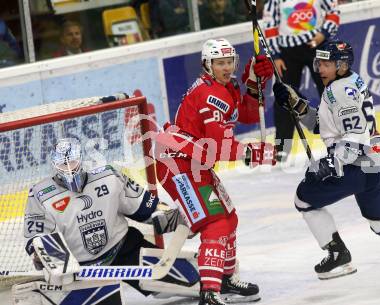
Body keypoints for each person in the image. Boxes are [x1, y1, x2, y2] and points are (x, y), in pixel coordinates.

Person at [273, 41, 380, 281]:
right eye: (319, 62)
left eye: (326, 63)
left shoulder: (338, 91)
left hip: (356, 166)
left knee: (303, 198)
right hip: (378, 163)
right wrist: (297, 104)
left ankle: (337, 253)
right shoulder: (349, 82)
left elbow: (355, 135)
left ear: (342, 65)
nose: (320, 68)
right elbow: (324, 125)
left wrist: (331, 164)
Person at [154, 38, 275, 305]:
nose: (227, 67)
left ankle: (225, 278)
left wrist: (254, 82)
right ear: (207, 65)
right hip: (178, 164)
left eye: (230, 61)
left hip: (194, 161)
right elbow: (219, 147)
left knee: (229, 219)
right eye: (220, 63)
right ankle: (209, 293)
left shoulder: (225, 87)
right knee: (216, 223)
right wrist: (254, 153)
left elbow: (246, 114)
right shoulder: (211, 94)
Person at [21, 138, 198, 304]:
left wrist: (176, 219)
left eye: (72, 161)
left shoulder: (107, 175)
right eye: (62, 163)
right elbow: (37, 236)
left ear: (81, 159)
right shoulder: (40, 195)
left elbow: (144, 205)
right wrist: (41, 255)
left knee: (194, 282)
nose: (68, 168)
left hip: (124, 250)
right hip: (84, 271)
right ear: (54, 165)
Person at [263, 0, 340, 162]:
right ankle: (282, 147)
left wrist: (323, 34)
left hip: (318, 47)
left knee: (331, 91)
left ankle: (342, 135)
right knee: (284, 95)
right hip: (287, 52)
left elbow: (333, 11)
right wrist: (275, 56)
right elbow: (270, 26)